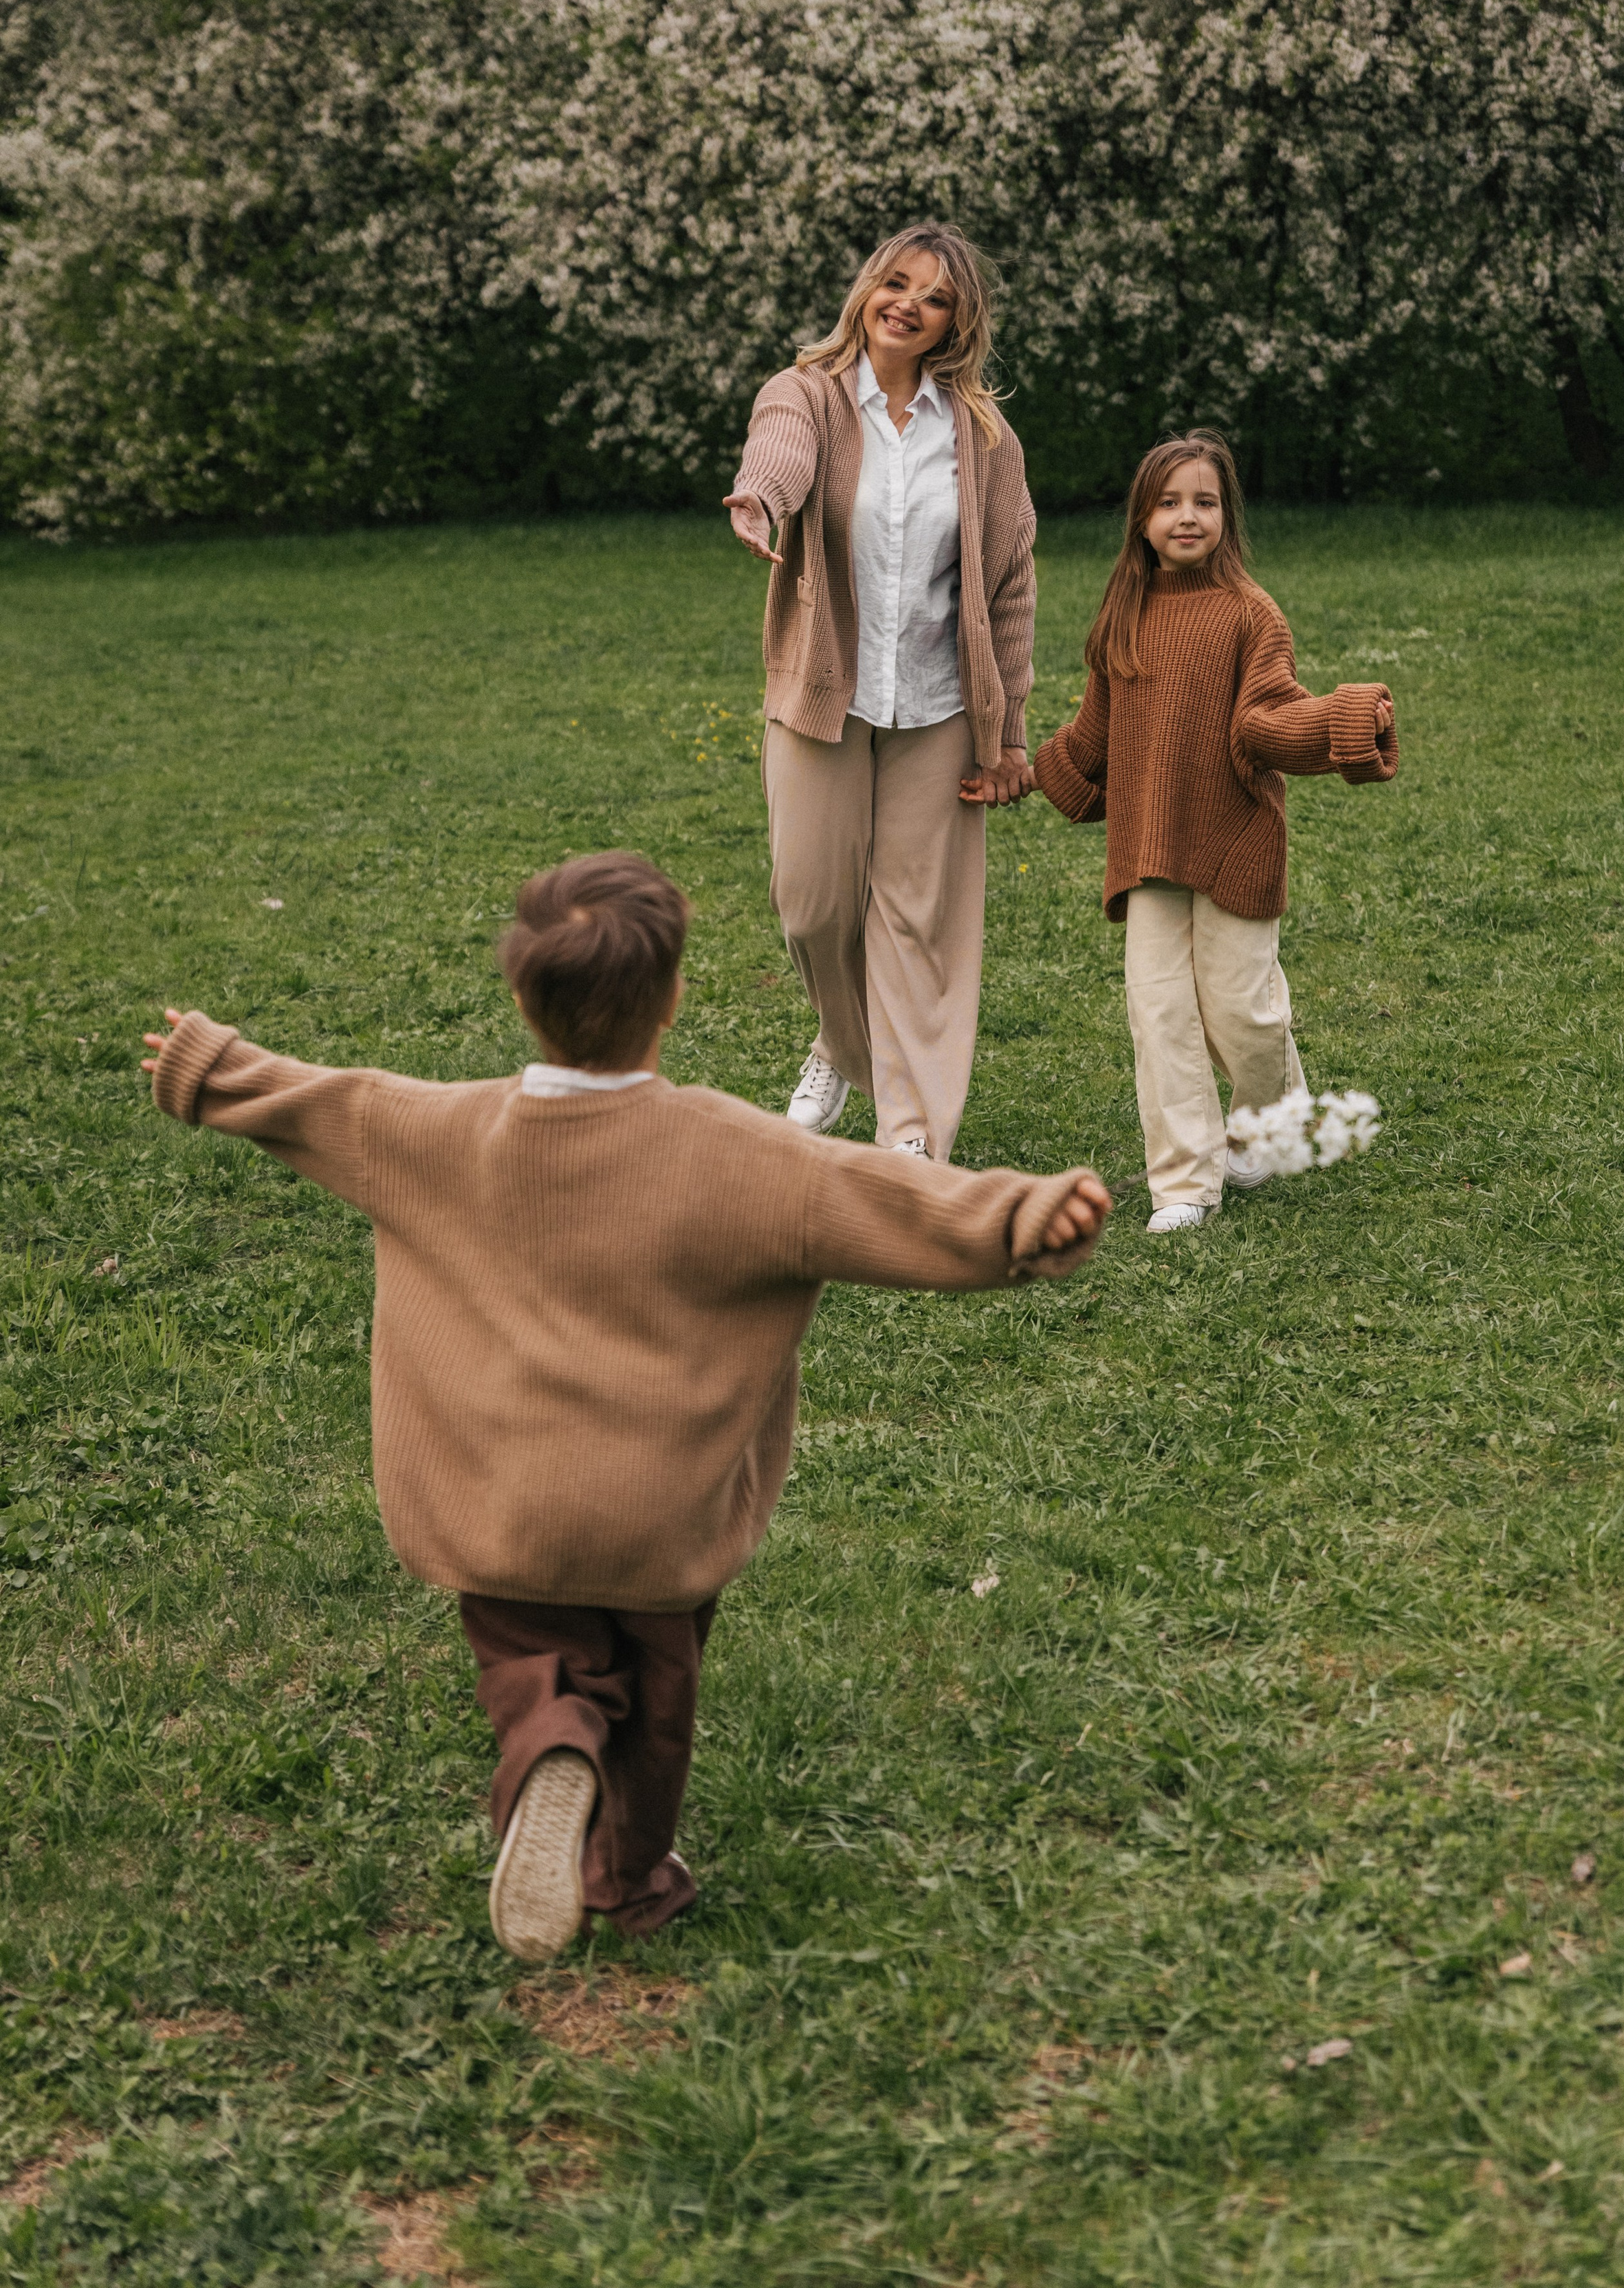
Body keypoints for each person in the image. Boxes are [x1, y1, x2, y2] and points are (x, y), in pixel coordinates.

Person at [140, 852, 1110, 1959]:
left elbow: (313, 1100)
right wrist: (1023, 1217)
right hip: (662, 1516)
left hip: (504, 1513)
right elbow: (894, 1200)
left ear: (519, 997)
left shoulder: (425, 1129)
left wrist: (207, 1067)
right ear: (675, 1000)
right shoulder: (748, 1157)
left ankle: (552, 1739)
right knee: (655, 1709)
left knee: (532, 1664)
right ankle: (632, 1874)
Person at [1031, 432, 1398, 1235]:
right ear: (1141, 519)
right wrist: (1025, 772)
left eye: (1204, 501)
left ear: (1226, 516)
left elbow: (1267, 717)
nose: (1186, 517)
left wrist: (1339, 721)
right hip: (1147, 847)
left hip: (1234, 840)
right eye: (1168, 503)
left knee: (1244, 1015)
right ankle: (1184, 1184)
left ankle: (1269, 1116)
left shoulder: (1248, 613)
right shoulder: (1122, 614)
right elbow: (1096, 737)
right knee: (1158, 1014)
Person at [725, 221, 1037, 1163]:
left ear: (956, 322)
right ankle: (842, 1040)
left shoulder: (982, 435)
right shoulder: (808, 395)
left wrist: (1010, 735)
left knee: (919, 923)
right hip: (828, 694)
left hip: (941, 709)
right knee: (812, 905)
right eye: (895, 283)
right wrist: (757, 499)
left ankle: (913, 1134)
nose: (908, 304)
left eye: (934, 296)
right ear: (868, 290)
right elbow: (782, 452)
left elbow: (1010, 583)